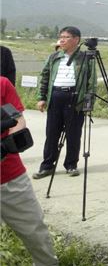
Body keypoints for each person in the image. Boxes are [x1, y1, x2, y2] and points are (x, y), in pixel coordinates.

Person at [1, 76, 59, 266]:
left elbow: (18, 120)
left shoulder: (2, 84)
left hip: (10, 176)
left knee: (36, 234)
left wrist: (5, 146)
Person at [33, 26, 97, 179]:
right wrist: (41, 98)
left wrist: (88, 104)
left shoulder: (85, 58)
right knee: (52, 134)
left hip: (75, 99)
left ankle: (71, 165)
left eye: (66, 37)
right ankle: (47, 166)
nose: (62, 40)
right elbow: (45, 78)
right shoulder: (54, 57)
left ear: (76, 40)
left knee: (73, 134)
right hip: (55, 97)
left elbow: (91, 82)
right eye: (61, 36)